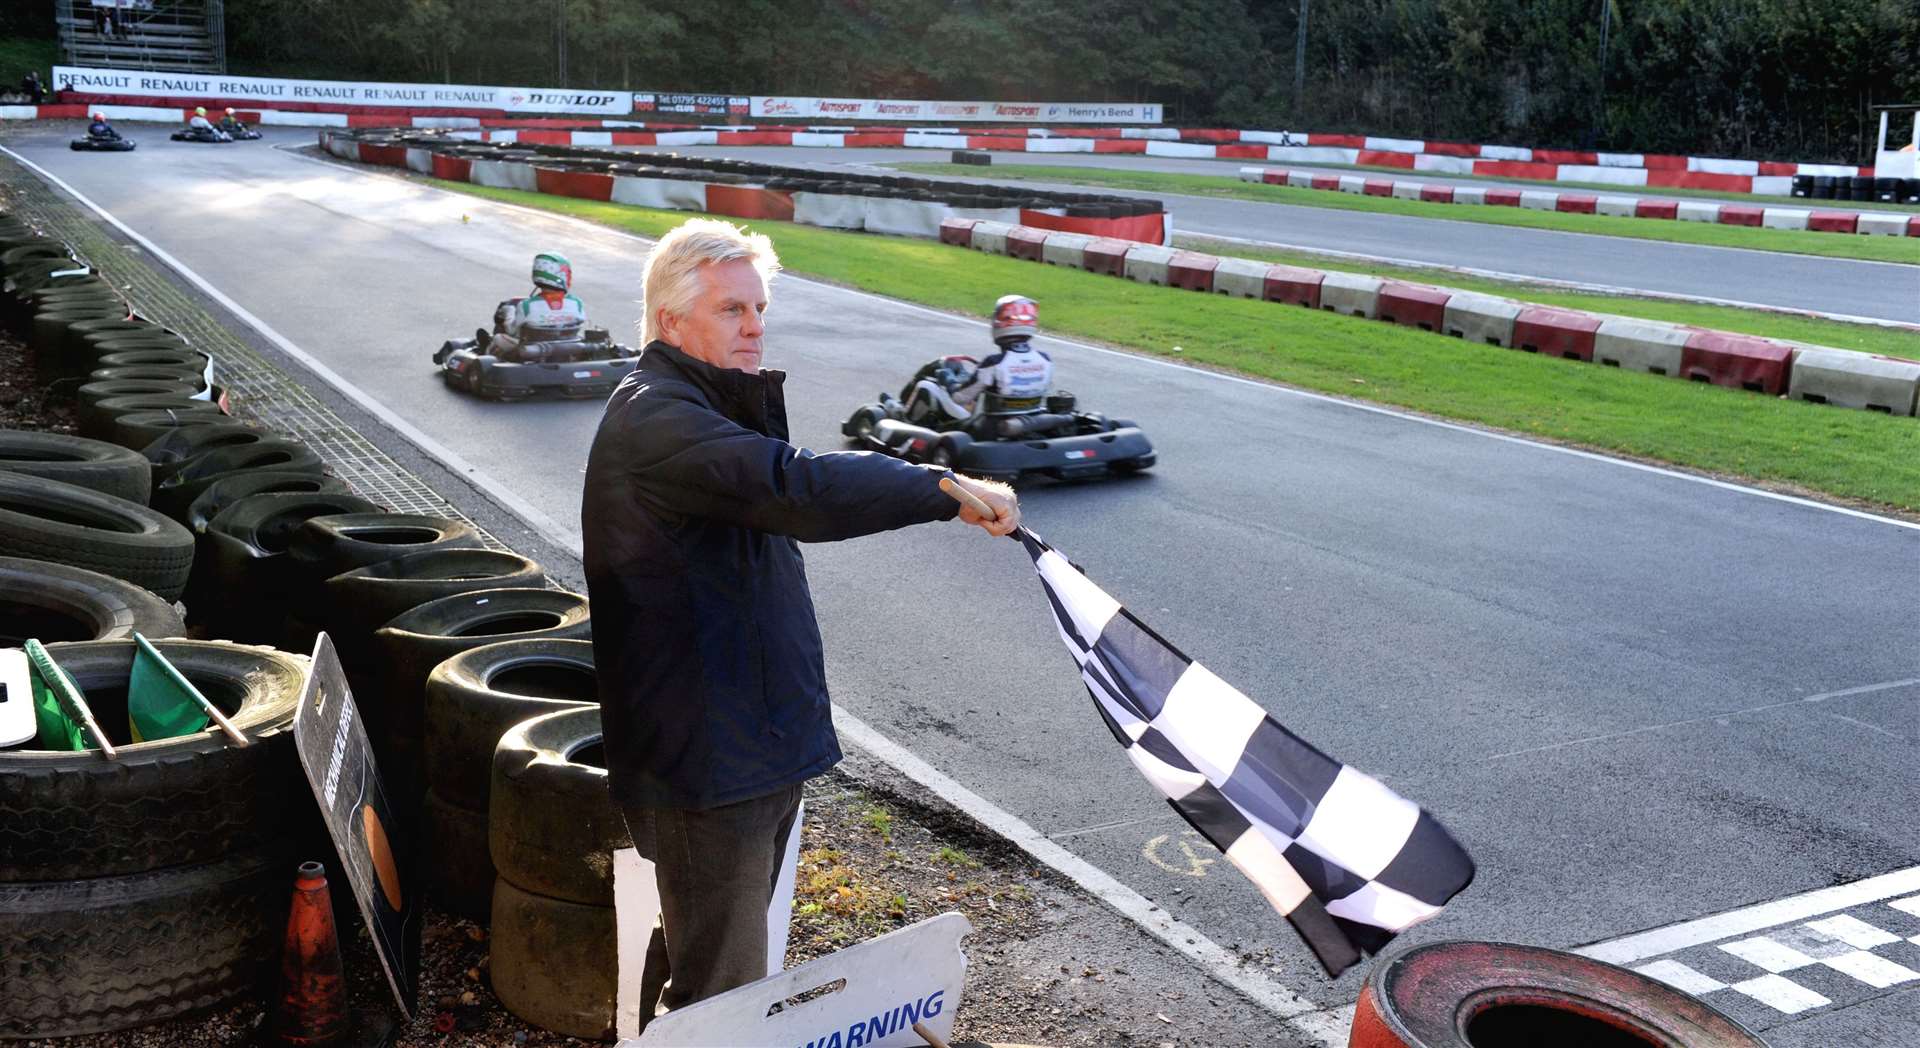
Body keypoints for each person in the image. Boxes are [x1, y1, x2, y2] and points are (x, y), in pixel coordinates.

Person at [581, 218, 1017, 1025]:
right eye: (731, 310)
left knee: (714, 964)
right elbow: (800, 490)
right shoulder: (660, 421)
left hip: (752, 745)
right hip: (708, 765)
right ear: (671, 321)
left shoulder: (707, 404)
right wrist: (940, 489)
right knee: (724, 998)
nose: (754, 327)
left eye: (759, 309)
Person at [903, 294, 1054, 430]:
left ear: (1000, 323)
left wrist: (947, 379)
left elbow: (960, 398)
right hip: (1025, 421)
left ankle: (903, 419)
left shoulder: (994, 363)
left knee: (926, 385)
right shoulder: (1045, 360)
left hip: (983, 424)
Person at [485, 252, 587, 360]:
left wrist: (509, 313)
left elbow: (512, 331)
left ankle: (486, 368)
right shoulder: (576, 303)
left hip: (532, 351)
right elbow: (580, 322)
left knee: (498, 338)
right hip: (567, 348)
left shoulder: (527, 306)